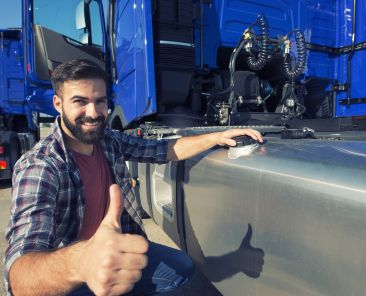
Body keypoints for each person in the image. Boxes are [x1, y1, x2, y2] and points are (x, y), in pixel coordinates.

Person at [4, 59, 263, 296]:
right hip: (72, 273)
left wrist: (216, 136)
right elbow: (20, 277)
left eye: (100, 101)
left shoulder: (108, 140)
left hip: (119, 252)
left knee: (180, 267)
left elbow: (164, 150)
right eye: (80, 101)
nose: (93, 113)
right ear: (58, 104)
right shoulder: (41, 166)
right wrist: (81, 262)